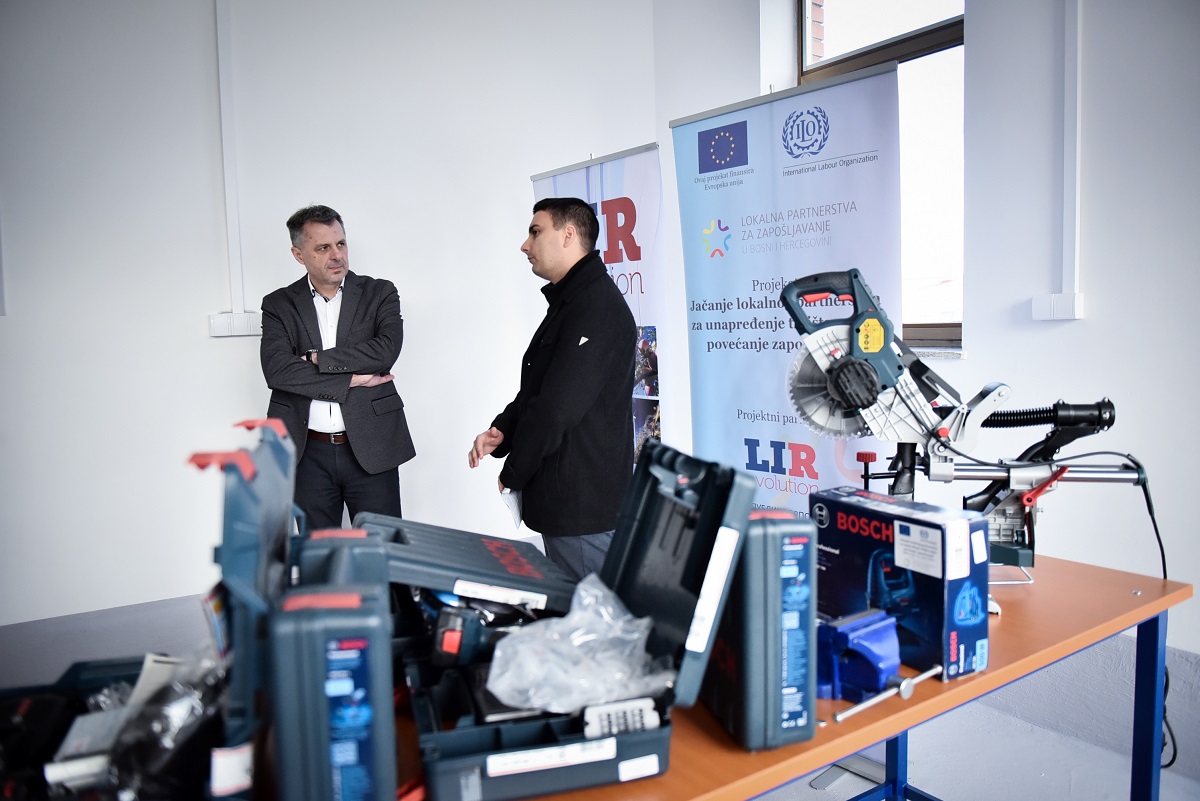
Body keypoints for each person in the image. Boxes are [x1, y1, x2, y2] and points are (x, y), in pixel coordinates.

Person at [468, 197, 637, 582]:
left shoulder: (595, 308)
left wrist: (514, 472)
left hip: (582, 510)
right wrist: (504, 429)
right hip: (567, 503)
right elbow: (541, 388)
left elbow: (556, 410)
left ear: (569, 234)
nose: (525, 245)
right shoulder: (571, 303)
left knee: (587, 614)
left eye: (535, 232)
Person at [260, 204, 416, 531]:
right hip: (306, 452)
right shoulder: (278, 304)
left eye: (341, 244)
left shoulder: (380, 292)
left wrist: (316, 359)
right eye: (323, 248)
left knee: (381, 546)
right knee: (318, 551)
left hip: (373, 445)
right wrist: (350, 381)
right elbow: (277, 370)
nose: (337, 255)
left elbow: (384, 352)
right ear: (299, 255)